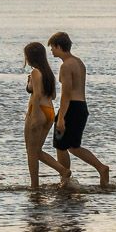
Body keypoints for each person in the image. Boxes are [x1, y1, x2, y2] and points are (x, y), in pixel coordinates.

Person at [49, 32, 110, 186]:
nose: (51, 51)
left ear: (58, 46)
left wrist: (61, 118)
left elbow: (66, 93)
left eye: (52, 47)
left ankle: (66, 178)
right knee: (70, 146)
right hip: (81, 106)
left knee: (63, 146)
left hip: (72, 107)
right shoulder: (78, 62)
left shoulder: (66, 65)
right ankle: (97, 169)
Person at [23, 41, 72, 188]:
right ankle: (62, 170)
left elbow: (37, 95)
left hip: (38, 111)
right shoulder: (48, 73)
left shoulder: (35, 72)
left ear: (31, 56)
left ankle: (35, 186)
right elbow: (54, 95)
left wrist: (34, 115)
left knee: (31, 152)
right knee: (36, 151)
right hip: (49, 111)